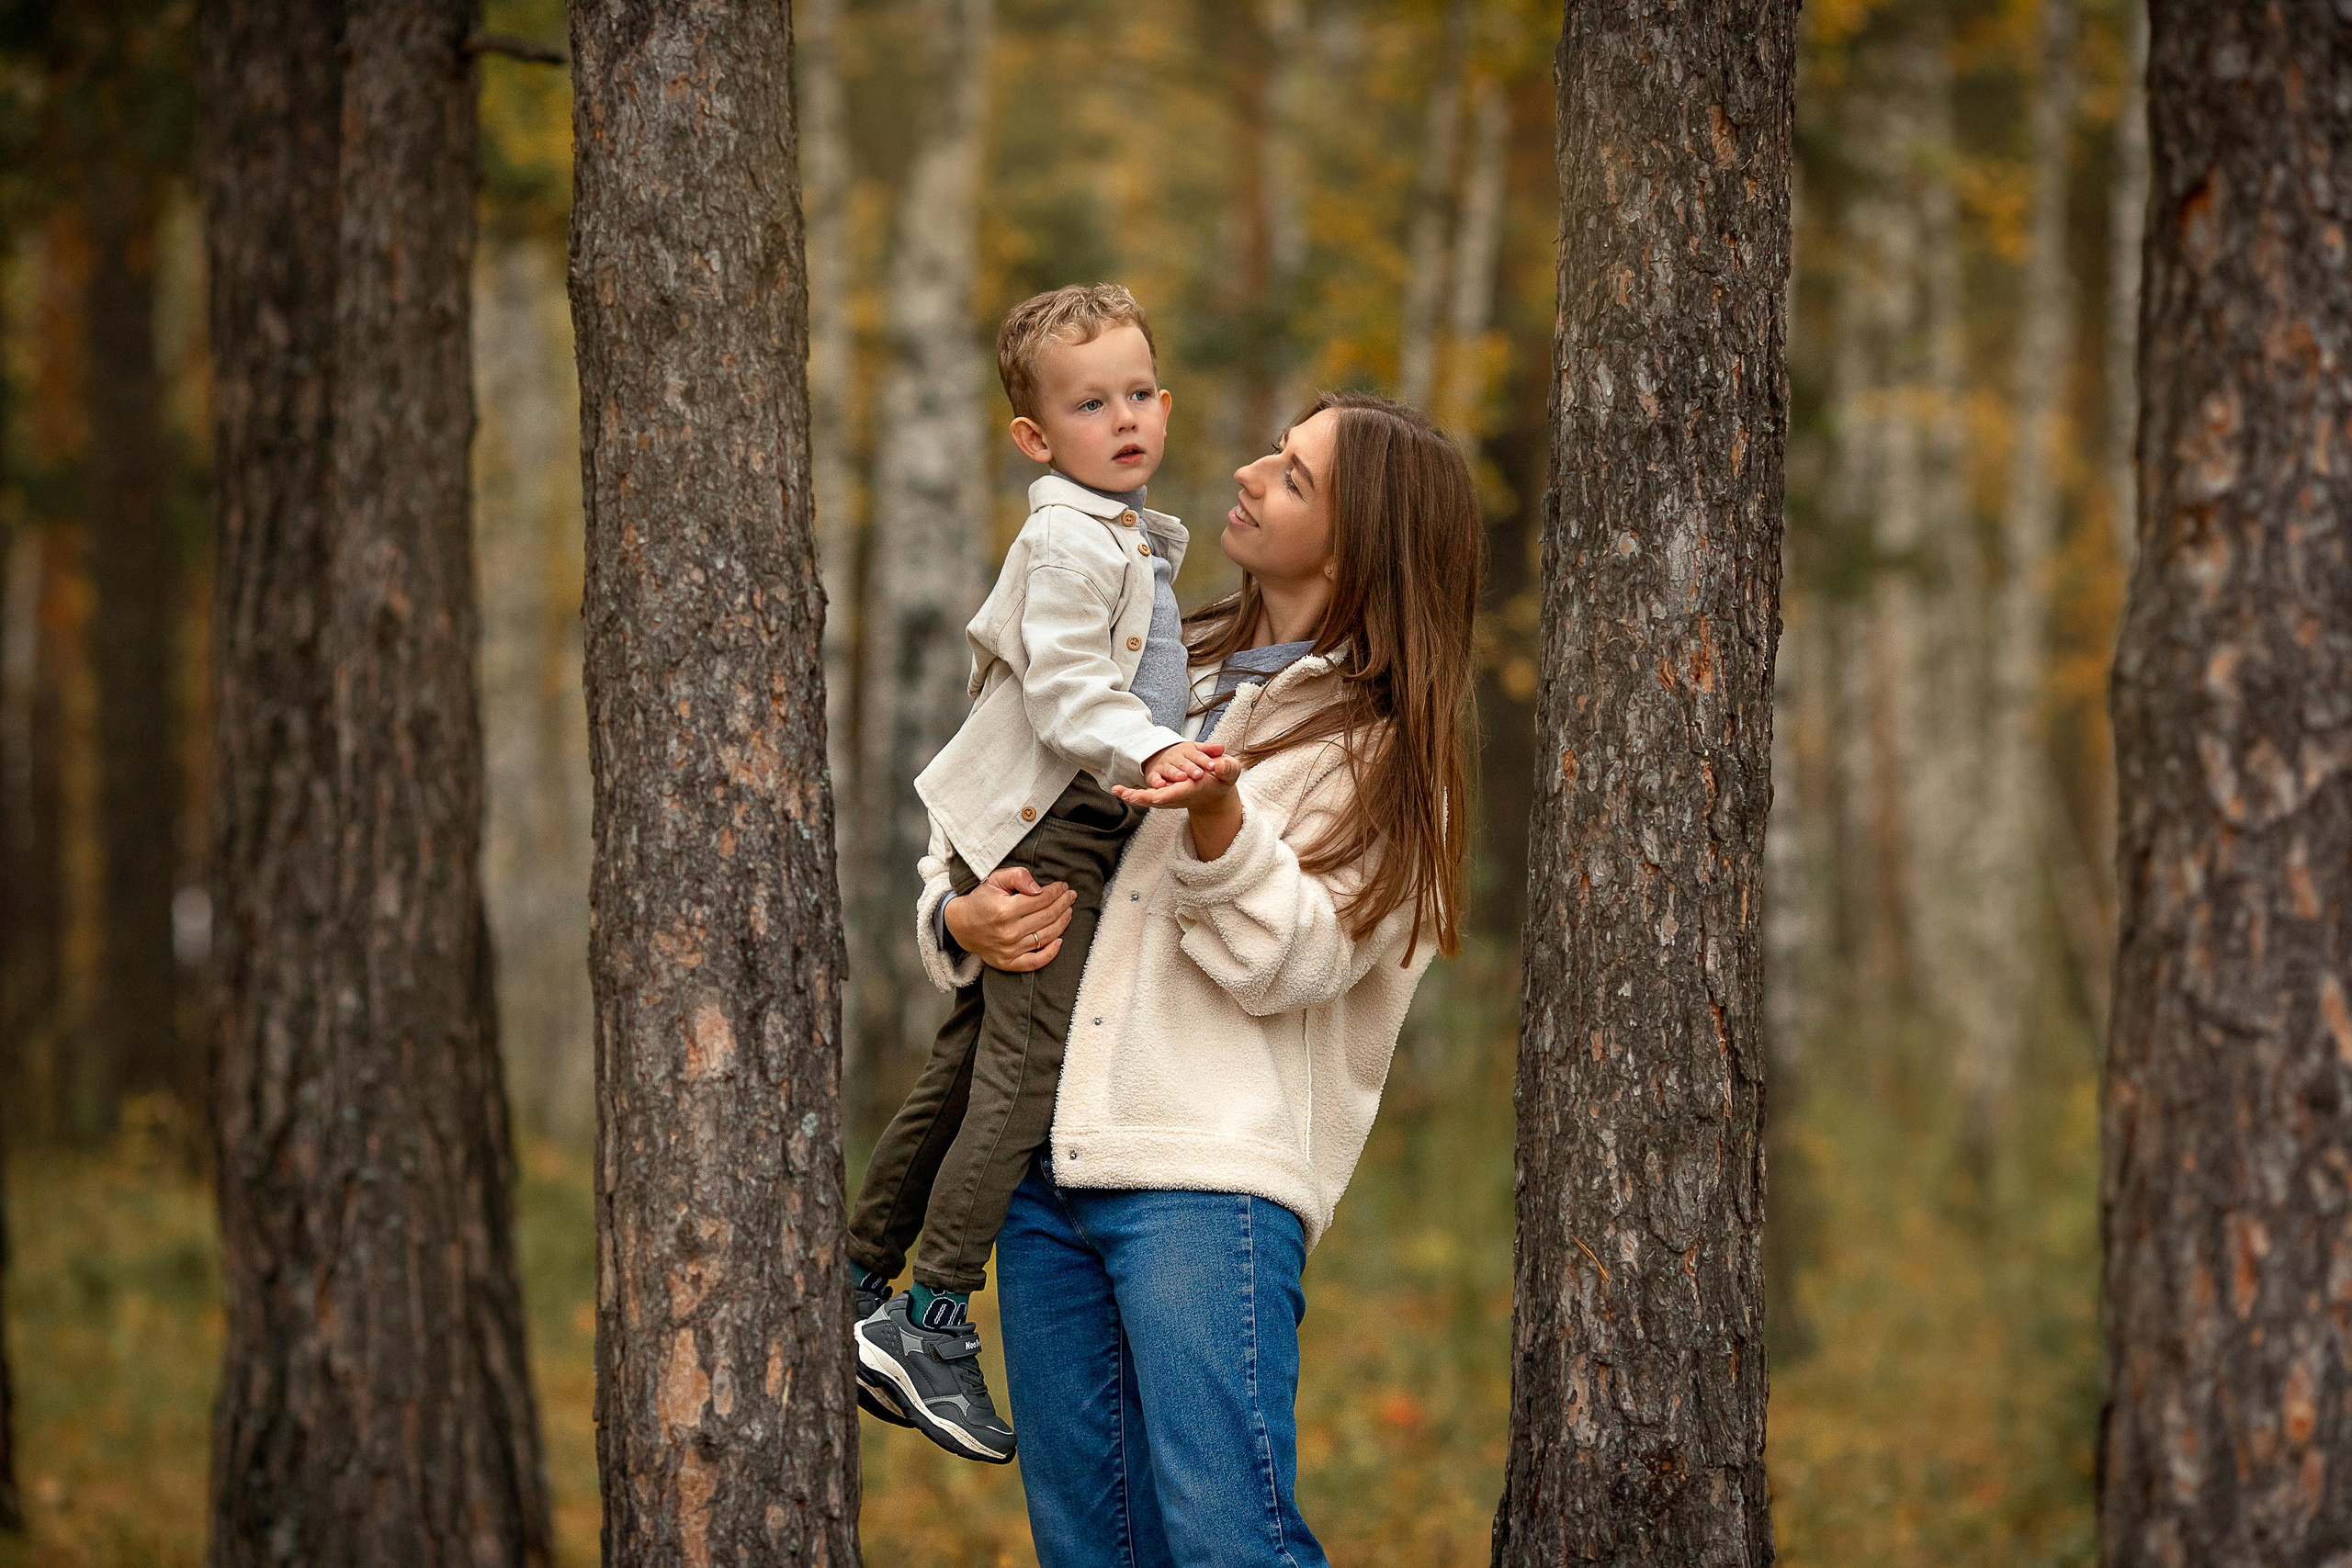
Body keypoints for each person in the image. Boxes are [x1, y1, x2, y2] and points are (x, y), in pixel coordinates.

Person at [919, 392, 1482, 1566]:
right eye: (1274, 450)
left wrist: (1221, 821)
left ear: (1356, 547)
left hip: (1201, 1182)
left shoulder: (1382, 750)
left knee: (1232, 1544)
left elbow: (1298, 961)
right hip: (1039, 1167)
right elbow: (991, 795)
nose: (1248, 473)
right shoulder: (1147, 649)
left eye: (1293, 475)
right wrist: (957, 917)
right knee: (1092, 1550)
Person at [846, 283, 1226, 1464]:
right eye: (1088, 404)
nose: (1124, 419)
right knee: (1027, 1069)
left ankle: (853, 1275)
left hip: (1053, 820)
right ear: (1033, 436)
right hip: (1049, 823)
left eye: (1137, 394)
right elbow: (1065, 691)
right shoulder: (1068, 538)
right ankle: (931, 1318)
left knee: (967, 1065)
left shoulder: (1127, 535)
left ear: (1166, 403)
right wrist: (1151, 750)